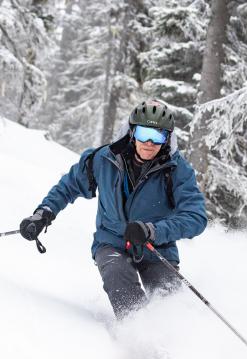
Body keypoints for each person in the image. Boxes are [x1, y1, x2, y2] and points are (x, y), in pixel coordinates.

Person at [20, 99, 208, 319]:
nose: (149, 142)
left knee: (169, 305)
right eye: (144, 133)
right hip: (112, 242)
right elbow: (68, 186)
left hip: (156, 247)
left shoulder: (177, 170)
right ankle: (137, 331)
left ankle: (169, 336)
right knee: (117, 274)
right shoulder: (104, 159)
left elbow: (195, 217)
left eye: (158, 136)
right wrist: (43, 214)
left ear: (167, 138)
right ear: (132, 131)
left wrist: (153, 231)